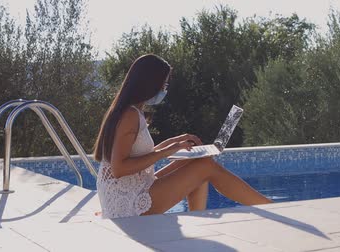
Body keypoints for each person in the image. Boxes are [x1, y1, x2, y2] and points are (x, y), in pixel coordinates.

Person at [94, 54, 272, 218]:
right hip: (124, 202)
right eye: (163, 85)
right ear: (149, 84)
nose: (164, 90)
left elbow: (136, 154)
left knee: (198, 161)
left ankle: (198, 218)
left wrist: (175, 141)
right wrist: (166, 152)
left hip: (134, 187)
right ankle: (270, 208)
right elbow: (120, 169)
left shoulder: (132, 112)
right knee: (205, 167)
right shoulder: (129, 115)